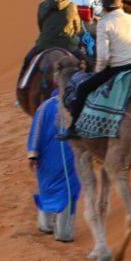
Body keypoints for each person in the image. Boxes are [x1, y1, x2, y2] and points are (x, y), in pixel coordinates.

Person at [65, 0, 131, 133]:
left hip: (117, 69)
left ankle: (74, 128)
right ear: (120, 5)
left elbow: (103, 56)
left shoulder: (104, 23)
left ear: (103, 7)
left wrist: (97, 72)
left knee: (83, 89)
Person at [27, 65, 81, 229]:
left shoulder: (44, 107)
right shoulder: (78, 104)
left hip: (53, 158)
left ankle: (46, 225)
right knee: (67, 192)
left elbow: (35, 130)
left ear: (57, 81)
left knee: (51, 189)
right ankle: (64, 232)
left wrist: (32, 154)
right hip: (64, 157)